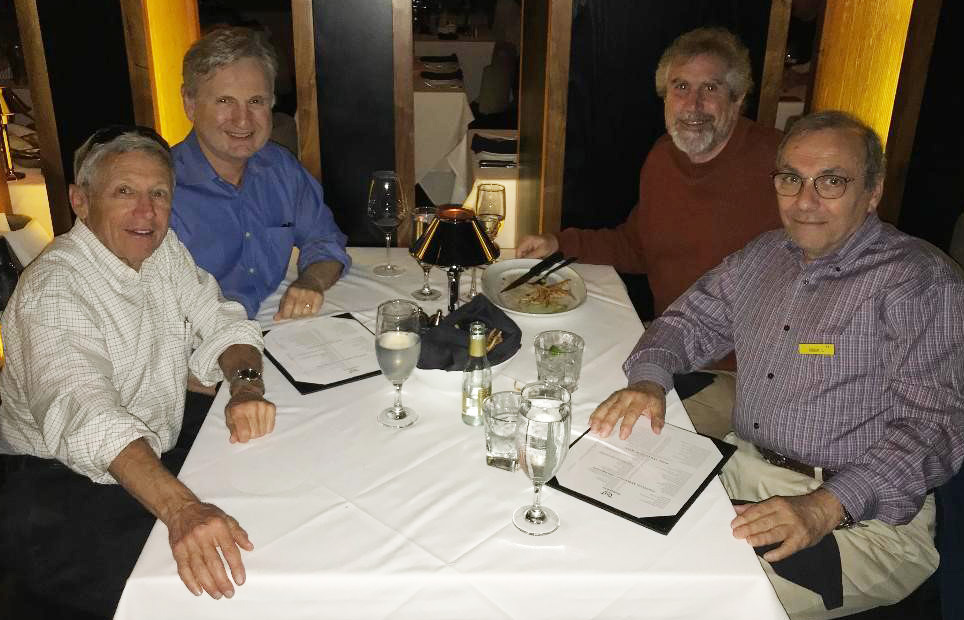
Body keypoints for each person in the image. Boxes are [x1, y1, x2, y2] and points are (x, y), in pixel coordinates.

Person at [588, 110, 964, 619]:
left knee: (675, 598)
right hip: (748, 468)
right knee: (604, 518)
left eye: (831, 181)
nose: (805, 201)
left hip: (860, 520)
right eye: (791, 179)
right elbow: (682, 324)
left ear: (872, 192)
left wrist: (823, 506)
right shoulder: (765, 255)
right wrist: (650, 382)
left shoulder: (918, 282)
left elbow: (934, 428)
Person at [0, 126, 278, 617]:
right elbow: (88, 418)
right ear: (80, 202)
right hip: (58, 488)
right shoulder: (55, 289)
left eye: (158, 194)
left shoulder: (160, 249)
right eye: (124, 192)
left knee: (272, 500)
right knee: (213, 589)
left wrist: (245, 385)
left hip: (152, 447)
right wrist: (181, 510)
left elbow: (220, 318)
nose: (146, 212)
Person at [517, 27, 783, 439]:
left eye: (709, 87)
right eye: (680, 87)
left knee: (621, 438)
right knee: (546, 374)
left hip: (738, 374)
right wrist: (560, 243)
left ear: (738, 98)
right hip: (666, 348)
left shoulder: (780, 168)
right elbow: (637, 245)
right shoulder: (663, 158)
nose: (693, 104)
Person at [170, 27, 351, 322]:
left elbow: (324, 240)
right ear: (189, 104)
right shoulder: (159, 188)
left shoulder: (280, 168)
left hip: (274, 324)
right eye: (225, 101)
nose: (243, 120)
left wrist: (311, 282)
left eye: (256, 101)